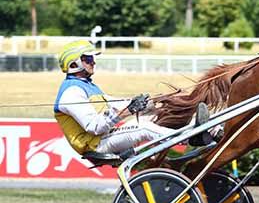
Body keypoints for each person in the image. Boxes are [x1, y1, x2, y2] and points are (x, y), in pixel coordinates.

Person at [54, 40, 212, 158]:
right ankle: (189, 139)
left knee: (159, 114)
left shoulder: (87, 86)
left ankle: (209, 130)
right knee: (143, 127)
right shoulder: (71, 92)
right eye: (88, 59)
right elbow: (95, 127)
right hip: (95, 145)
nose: (93, 62)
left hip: (105, 137)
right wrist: (129, 110)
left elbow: (118, 104)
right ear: (74, 64)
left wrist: (155, 102)